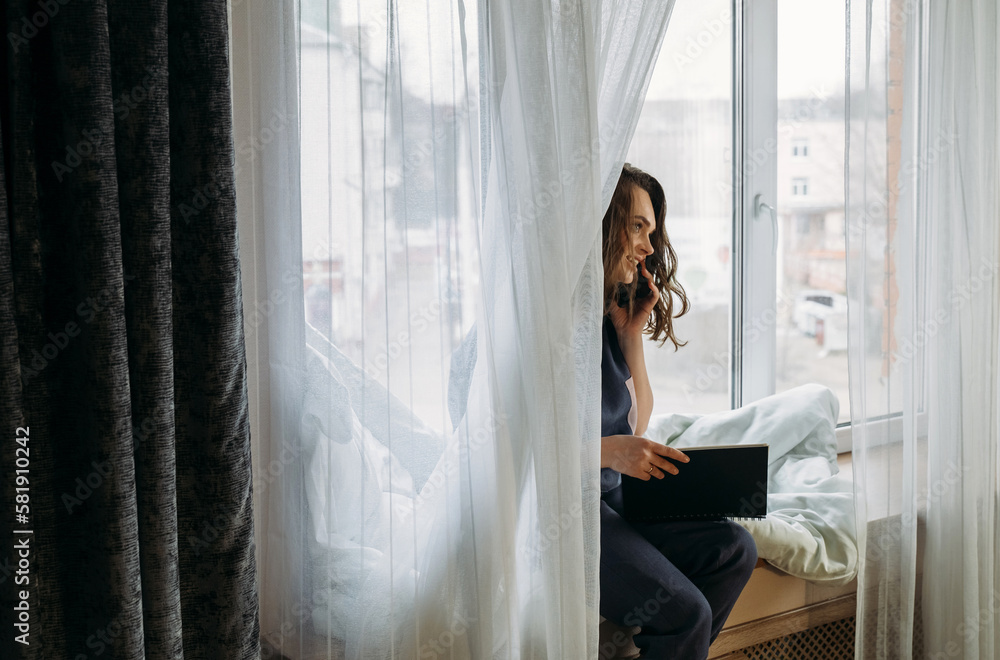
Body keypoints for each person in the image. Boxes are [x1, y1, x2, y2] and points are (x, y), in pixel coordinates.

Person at [599, 163, 757, 659]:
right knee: (687, 613)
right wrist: (606, 452)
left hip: (613, 494)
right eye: (637, 227)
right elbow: (514, 454)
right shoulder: (551, 324)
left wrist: (630, 334)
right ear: (601, 223)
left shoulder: (607, 318)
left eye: (652, 232)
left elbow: (637, 420)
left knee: (735, 550)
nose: (648, 246)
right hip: (569, 512)